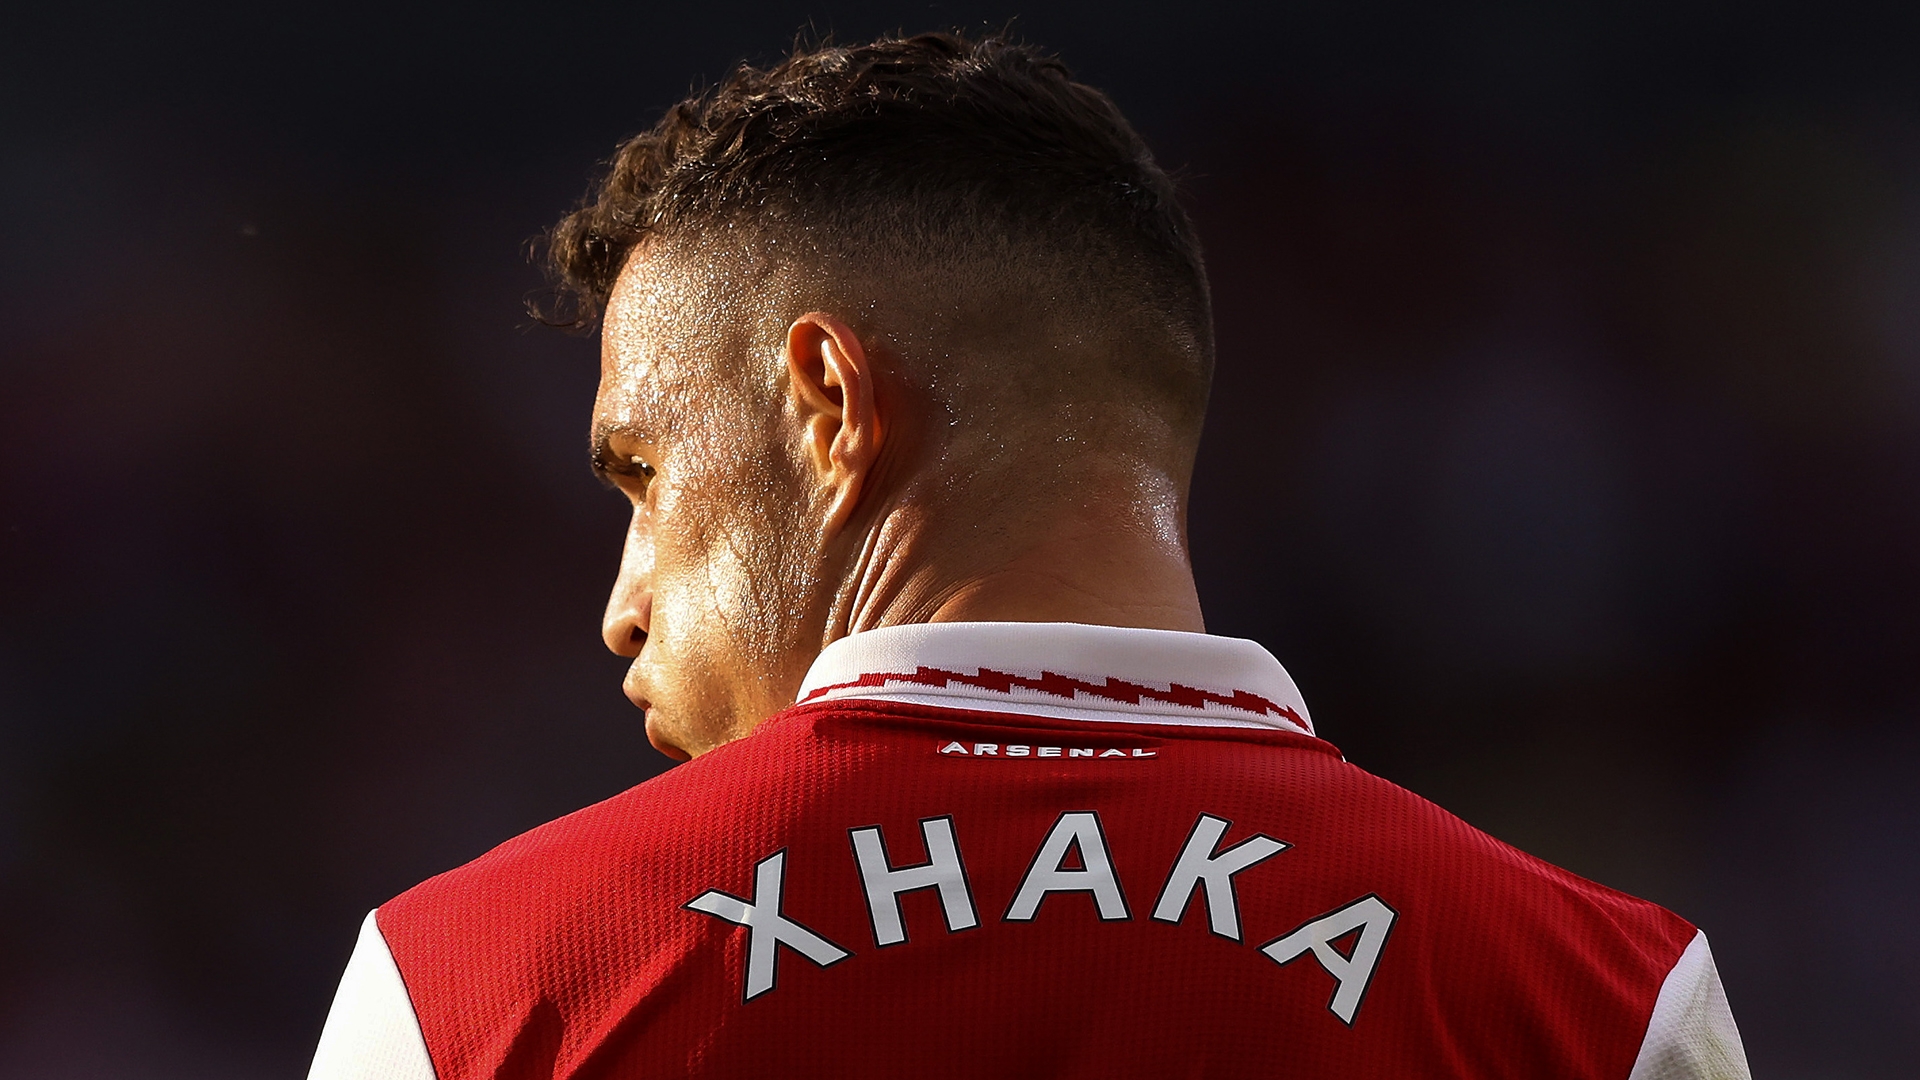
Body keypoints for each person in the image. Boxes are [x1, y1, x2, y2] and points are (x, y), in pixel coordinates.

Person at [307, 31, 1749, 1080]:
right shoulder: (1597, 1007)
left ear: (829, 409)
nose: (621, 610)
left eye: (645, 474)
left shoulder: (478, 995)